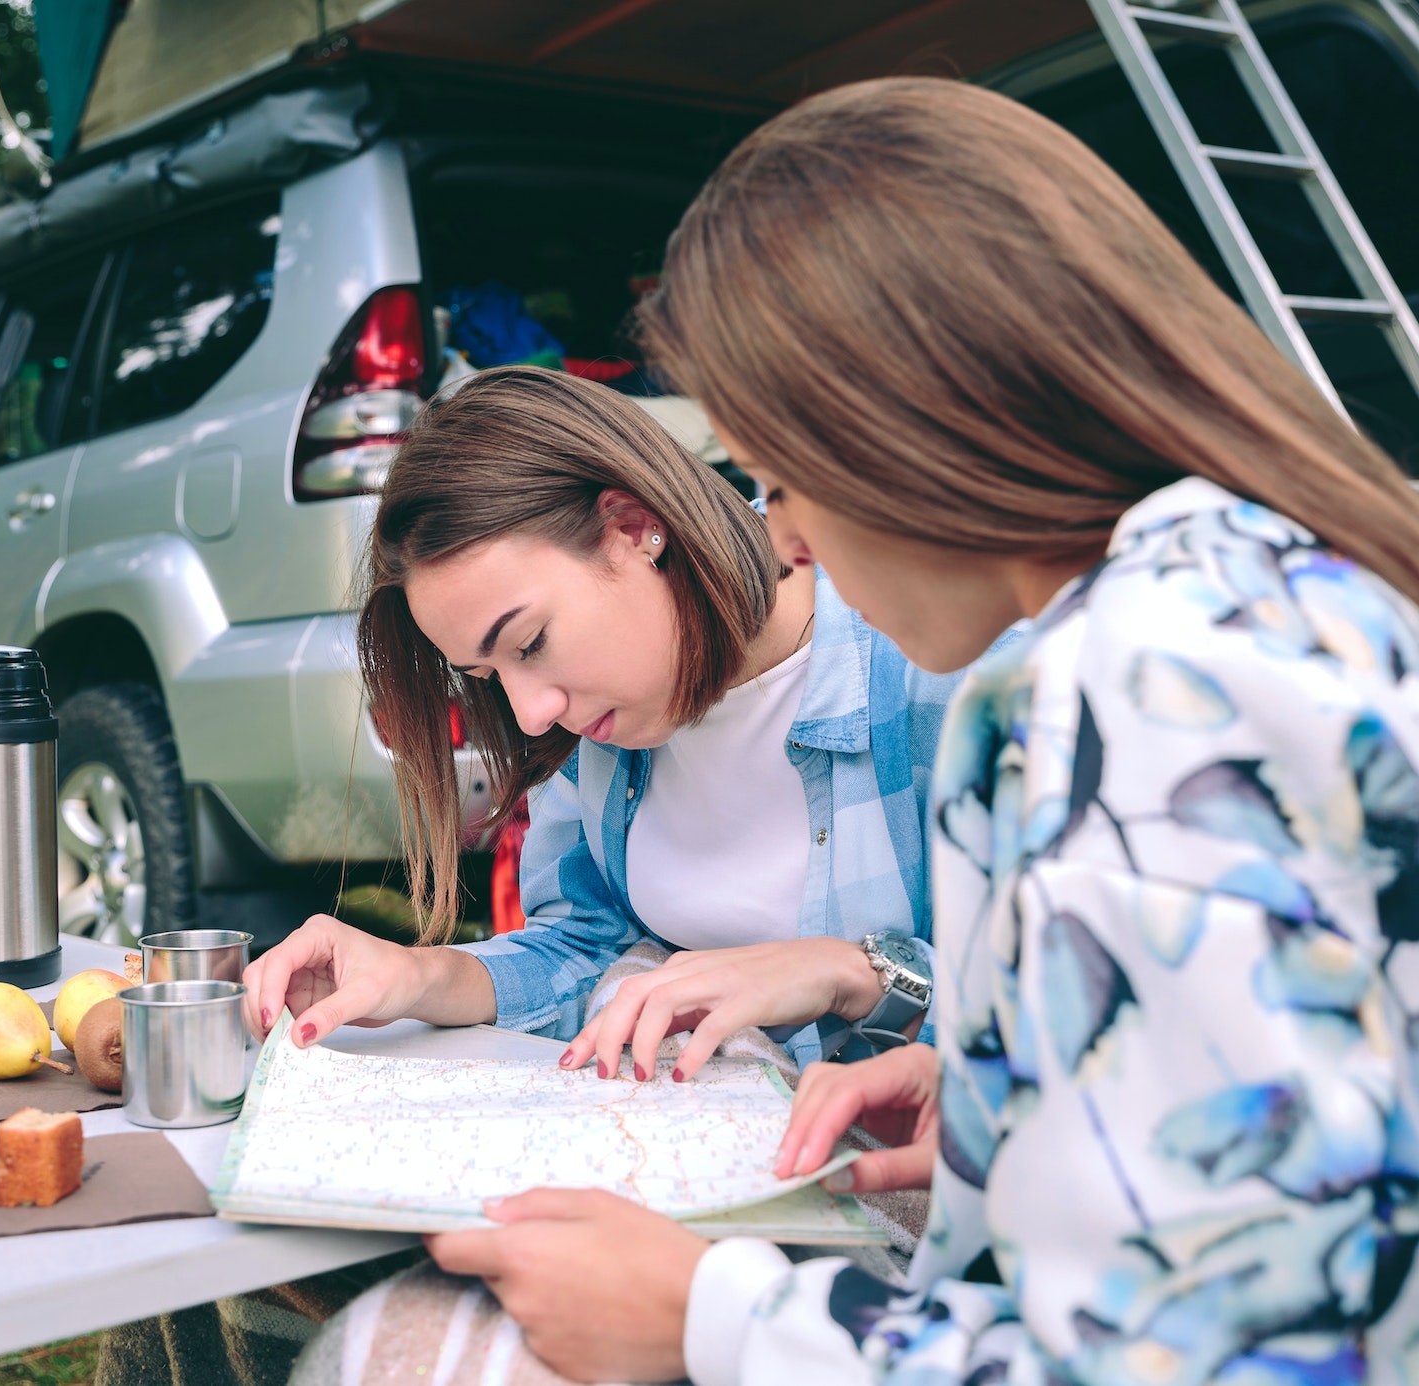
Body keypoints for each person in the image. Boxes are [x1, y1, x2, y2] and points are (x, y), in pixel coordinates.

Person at [305, 74, 1419, 1385]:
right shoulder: (1283, 589)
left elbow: (1214, 1357)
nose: (778, 533)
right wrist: (979, 1086)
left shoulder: (1105, 691)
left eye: (780, 473)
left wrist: (709, 1320)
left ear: (914, 415)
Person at [244, 364, 959, 1083]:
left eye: (530, 644)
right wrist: (416, 975)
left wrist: (853, 976)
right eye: (490, 676)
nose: (531, 713)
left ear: (634, 528)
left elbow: (1056, 1010)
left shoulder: (943, 663)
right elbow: (581, 947)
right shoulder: (597, 723)